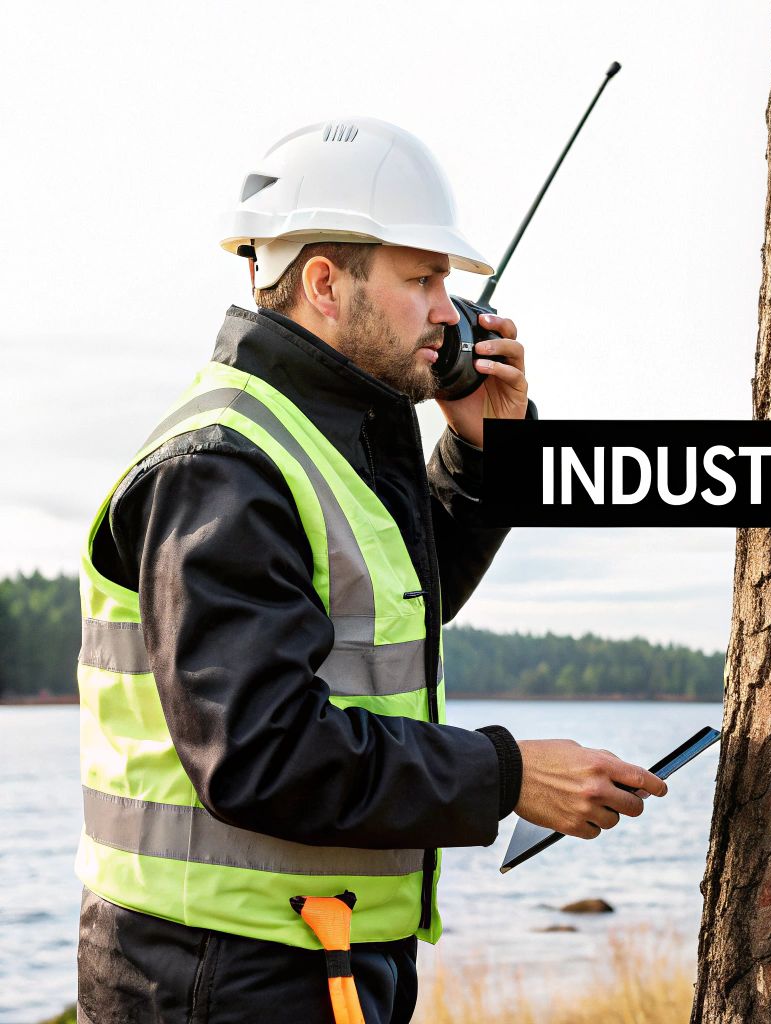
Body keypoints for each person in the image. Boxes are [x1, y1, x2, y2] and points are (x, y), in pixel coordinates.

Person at [74, 118, 666, 1024]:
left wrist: (479, 452)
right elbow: (263, 752)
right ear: (324, 282)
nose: (447, 310)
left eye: (447, 286)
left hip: (310, 959)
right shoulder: (221, 465)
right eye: (422, 279)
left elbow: (394, 619)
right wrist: (508, 778)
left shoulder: (333, 441)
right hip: (217, 976)